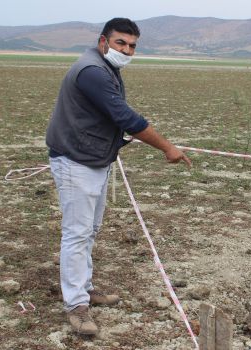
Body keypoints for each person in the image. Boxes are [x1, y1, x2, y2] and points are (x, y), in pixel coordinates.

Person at [45, 17, 191, 335]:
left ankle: (84, 289)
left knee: (90, 229)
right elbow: (125, 117)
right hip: (76, 161)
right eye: (120, 43)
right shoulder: (93, 71)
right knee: (77, 234)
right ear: (103, 42)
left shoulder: (105, 68)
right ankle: (76, 307)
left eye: (132, 45)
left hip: (92, 159)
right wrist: (167, 148)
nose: (126, 50)